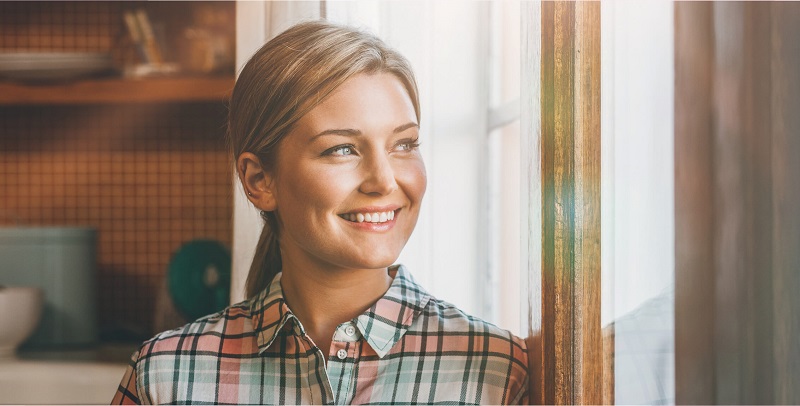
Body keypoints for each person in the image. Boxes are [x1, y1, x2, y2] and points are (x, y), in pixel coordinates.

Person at [111, 20, 528, 405]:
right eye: (342, 149)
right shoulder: (166, 377)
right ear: (259, 181)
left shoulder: (499, 371)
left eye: (404, 144)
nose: (383, 181)